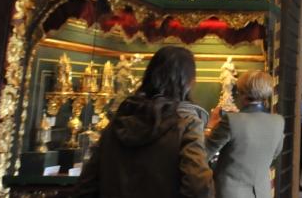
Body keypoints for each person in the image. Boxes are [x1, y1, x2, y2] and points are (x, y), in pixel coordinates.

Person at [75, 46, 214, 198]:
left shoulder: (119, 120)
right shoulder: (187, 124)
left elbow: (87, 183)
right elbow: (198, 186)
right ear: (188, 82)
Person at [205, 70, 285, 198]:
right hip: (262, 192)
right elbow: (274, 154)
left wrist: (210, 125)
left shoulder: (232, 120)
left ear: (242, 93)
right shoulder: (278, 121)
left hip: (231, 193)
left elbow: (204, 152)